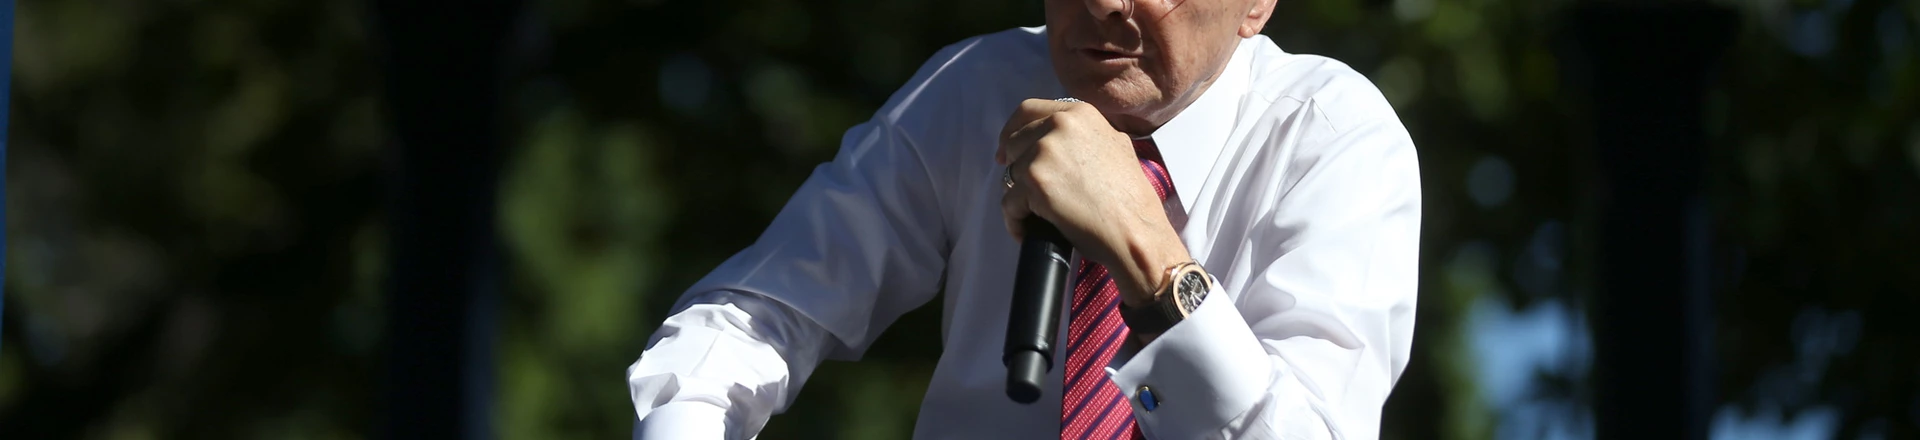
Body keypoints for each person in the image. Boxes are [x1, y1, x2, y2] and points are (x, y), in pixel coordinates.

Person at [626, 0, 1421, 437]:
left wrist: (1145, 250)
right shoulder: (977, 86)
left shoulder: (1333, 135)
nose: (1105, 2)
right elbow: (761, 308)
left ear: (1255, 5)